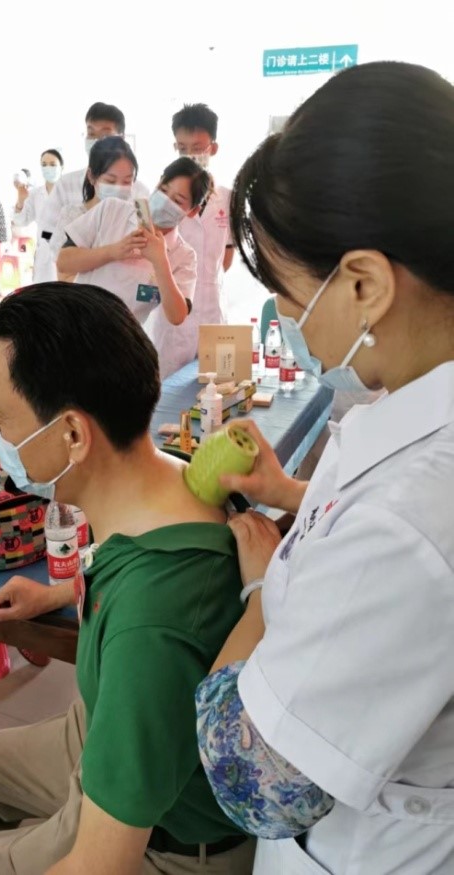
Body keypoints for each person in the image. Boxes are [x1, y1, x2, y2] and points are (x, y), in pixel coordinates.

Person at [194, 61, 454, 874]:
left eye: (287, 293)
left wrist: (261, 592)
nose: (286, 320)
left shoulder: (409, 519)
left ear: (365, 283)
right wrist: (290, 493)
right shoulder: (411, 418)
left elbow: (252, 780)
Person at [0, 283, 254, 875]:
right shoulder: (165, 480)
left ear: (72, 433)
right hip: (105, 730)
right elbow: (125, 565)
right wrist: (54, 593)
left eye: (0, 417)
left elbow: (101, 866)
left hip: (167, 838)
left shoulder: (150, 628)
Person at [57, 156, 210, 329]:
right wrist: (112, 252)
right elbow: (64, 262)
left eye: (177, 201)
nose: (165, 200)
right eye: (163, 190)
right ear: (158, 182)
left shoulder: (184, 255)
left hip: (120, 337)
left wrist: (161, 262)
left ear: (193, 211)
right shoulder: (112, 210)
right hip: (76, 322)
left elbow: (177, 316)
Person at [150, 104, 236, 377]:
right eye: (182, 148)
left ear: (213, 148)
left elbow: (227, 254)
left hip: (214, 312)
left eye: (197, 147)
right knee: (169, 390)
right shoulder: (166, 197)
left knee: (221, 386)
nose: (190, 155)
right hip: (175, 311)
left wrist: (209, 281)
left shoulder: (228, 198)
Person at [42, 103, 151, 266]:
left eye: (127, 181)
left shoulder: (140, 196)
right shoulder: (67, 191)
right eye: (91, 134)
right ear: (92, 177)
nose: (97, 141)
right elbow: (53, 244)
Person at [48, 136, 140, 273]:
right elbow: (64, 268)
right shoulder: (73, 216)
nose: (119, 188)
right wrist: (111, 253)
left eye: (127, 182)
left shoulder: (135, 219)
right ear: (91, 176)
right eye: (110, 181)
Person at [11, 149, 66, 283]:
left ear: (61, 167)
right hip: (43, 252)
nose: (48, 168)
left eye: (52, 164)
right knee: (43, 290)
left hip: (65, 250)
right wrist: (20, 201)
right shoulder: (35, 194)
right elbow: (21, 221)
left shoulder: (68, 193)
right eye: (44, 164)